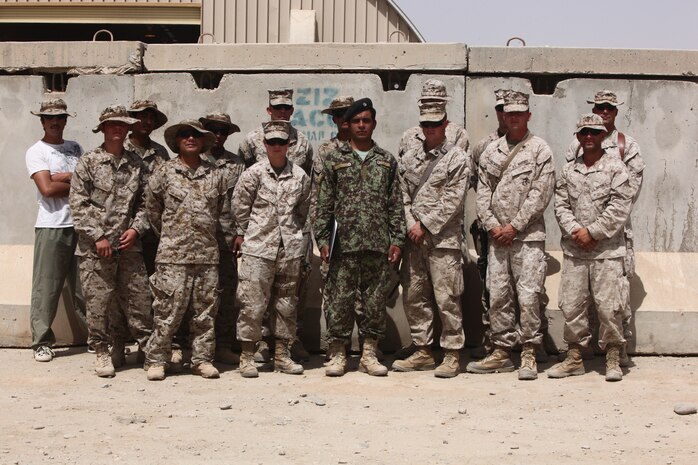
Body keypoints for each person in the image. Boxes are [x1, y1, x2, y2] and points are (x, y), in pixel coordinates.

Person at [314, 98, 406, 377]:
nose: (362, 125)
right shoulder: (334, 160)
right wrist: (322, 240)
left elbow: (395, 204)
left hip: (377, 243)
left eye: (367, 120)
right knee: (339, 299)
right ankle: (338, 353)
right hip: (343, 244)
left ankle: (368, 353)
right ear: (348, 125)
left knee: (374, 300)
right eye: (357, 121)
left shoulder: (386, 161)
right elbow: (323, 204)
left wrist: (397, 239)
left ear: (374, 124)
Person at [466, 90, 555, 381]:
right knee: (498, 295)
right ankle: (502, 351)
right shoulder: (492, 151)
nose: (513, 117)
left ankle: (529, 351)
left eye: (519, 113)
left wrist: (514, 227)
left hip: (526, 238)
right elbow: (483, 192)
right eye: (509, 113)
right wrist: (492, 226)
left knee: (529, 296)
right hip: (496, 239)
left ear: (528, 115)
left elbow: (540, 194)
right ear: (504, 115)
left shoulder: (540, 149)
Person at [549, 113, 633, 382]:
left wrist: (593, 232)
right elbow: (560, 205)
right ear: (578, 136)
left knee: (610, 307)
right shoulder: (568, 171)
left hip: (607, 252)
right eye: (583, 132)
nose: (588, 137)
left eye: (594, 132)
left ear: (602, 136)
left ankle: (612, 357)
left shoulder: (617, 169)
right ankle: (574, 357)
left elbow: (620, 207)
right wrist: (576, 231)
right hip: (575, 251)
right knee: (572, 306)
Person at [143, 120, 230, 381]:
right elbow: (152, 209)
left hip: (206, 255)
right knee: (167, 311)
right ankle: (157, 359)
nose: (190, 138)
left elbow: (223, 213)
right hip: (173, 255)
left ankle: (201, 360)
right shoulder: (165, 172)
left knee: (205, 312)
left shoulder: (215, 174)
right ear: (177, 141)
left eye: (196, 135)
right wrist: (171, 236)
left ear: (203, 141)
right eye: (185, 135)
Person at [69, 105, 151, 377]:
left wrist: (137, 229)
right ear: (103, 128)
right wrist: (98, 236)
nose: (117, 128)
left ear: (128, 128)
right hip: (96, 249)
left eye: (122, 124)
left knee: (138, 300)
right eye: (112, 124)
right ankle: (103, 352)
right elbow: (78, 204)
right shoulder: (89, 162)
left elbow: (145, 204)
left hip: (129, 246)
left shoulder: (136, 164)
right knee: (99, 304)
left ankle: (146, 350)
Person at [565, 90, 645, 366]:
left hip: (613, 234)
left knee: (614, 298)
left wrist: (597, 229)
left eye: (609, 107)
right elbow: (566, 192)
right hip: (577, 239)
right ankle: (578, 353)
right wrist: (578, 230)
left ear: (616, 111)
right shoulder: (575, 148)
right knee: (575, 300)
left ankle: (616, 351)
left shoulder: (626, 146)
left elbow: (628, 193)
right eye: (600, 106)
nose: (604, 111)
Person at [395, 78, 472, 361]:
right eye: (426, 124)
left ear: (445, 124)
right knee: (415, 296)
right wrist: (410, 225)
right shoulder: (410, 156)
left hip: (443, 240)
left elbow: (454, 198)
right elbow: (400, 193)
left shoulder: (457, 157)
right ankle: (423, 349)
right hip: (414, 240)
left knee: (447, 298)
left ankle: (452, 353)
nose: (430, 129)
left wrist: (425, 224)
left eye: (435, 124)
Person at [238, 88, 314, 361]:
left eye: (287, 108)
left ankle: (284, 349)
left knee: (288, 301)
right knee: (253, 300)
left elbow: (305, 207)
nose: (282, 112)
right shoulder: (251, 151)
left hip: (289, 243)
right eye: (277, 108)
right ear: (269, 109)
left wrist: (295, 233)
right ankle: (254, 348)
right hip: (260, 242)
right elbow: (241, 205)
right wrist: (252, 231)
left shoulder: (303, 148)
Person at [25, 97, 87, 362]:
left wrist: (63, 177)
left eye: (60, 118)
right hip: (52, 226)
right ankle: (41, 341)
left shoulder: (75, 148)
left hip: (82, 223)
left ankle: (94, 338)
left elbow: (89, 183)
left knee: (85, 286)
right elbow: (47, 190)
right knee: (47, 286)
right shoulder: (36, 151)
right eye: (50, 118)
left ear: (65, 121)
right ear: (42, 121)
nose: (55, 122)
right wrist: (73, 181)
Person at [199, 112, 245, 366]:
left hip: (226, 240)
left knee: (227, 293)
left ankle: (224, 344)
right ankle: (190, 346)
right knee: (197, 295)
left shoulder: (236, 164)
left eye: (223, 131)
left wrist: (240, 233)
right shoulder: (193, 159)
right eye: (213, 130)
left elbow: (242, 201)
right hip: (196, 240)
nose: (218, 135)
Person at [468, 89, 508, 357]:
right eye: (502, 108)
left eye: (512, 110)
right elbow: (474, 183)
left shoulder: (534, 146)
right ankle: (492, 341)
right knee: (491, 288)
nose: (506, 114)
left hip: (521, 232)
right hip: (489, 230)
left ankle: (532, 343)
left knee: (529, 291)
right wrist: (491, 221)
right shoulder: (483, 147)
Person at [125, 99, 170, 276]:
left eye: (151, 118)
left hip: (153, 229)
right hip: (125, 229)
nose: (147, 122)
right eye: (142, 117)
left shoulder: (160, 152)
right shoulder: (120, 148)